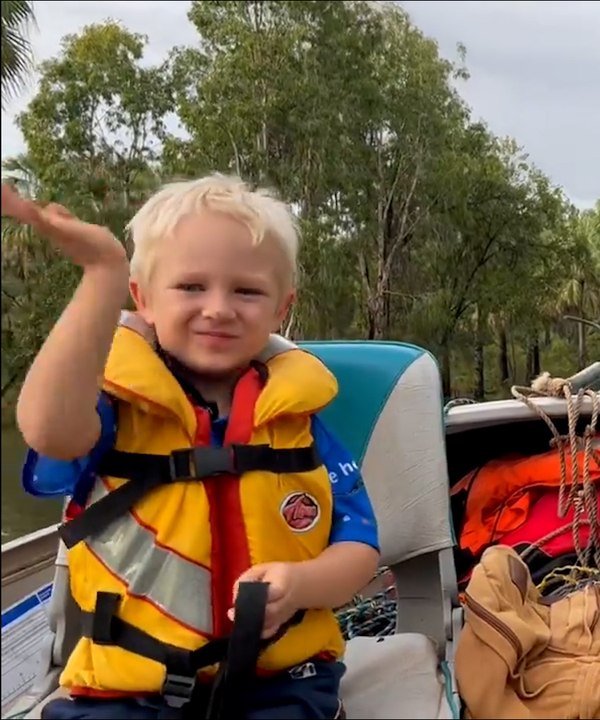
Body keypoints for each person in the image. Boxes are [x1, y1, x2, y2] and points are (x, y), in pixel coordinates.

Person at [1, 175, 381, 720]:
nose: (219, 308)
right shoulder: (111, 408)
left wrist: (301, 584)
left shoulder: (301, 424)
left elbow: (360, 548)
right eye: (191, 287)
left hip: (279, 685)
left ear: (282, 308)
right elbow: (47, 430)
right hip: (124, 694)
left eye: (246, 291)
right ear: (143, 298)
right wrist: (102, 275)